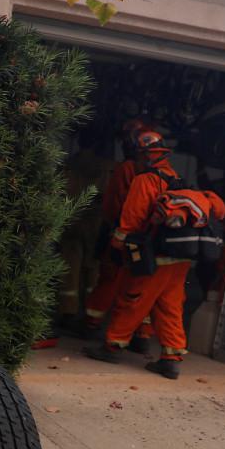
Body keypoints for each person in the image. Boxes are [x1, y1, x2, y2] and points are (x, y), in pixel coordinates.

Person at [84, 129, 191, 379]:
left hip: (153, 254)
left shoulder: (146, 179)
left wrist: (117, 245)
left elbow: (131, 217)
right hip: (178, 256)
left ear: (143, 154)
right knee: (170, 305)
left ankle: (113, 346)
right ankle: (171, 358)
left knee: (132, 298)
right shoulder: (175, 177)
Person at [72, 119, 155, 351]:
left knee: (109, 279)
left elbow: (113, 204)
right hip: (148, 241)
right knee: (141, 286)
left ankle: (91, 324)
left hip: (122, 235)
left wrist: (111, 228)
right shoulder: (163, 173)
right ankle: (143, 335)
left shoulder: (127, 169)